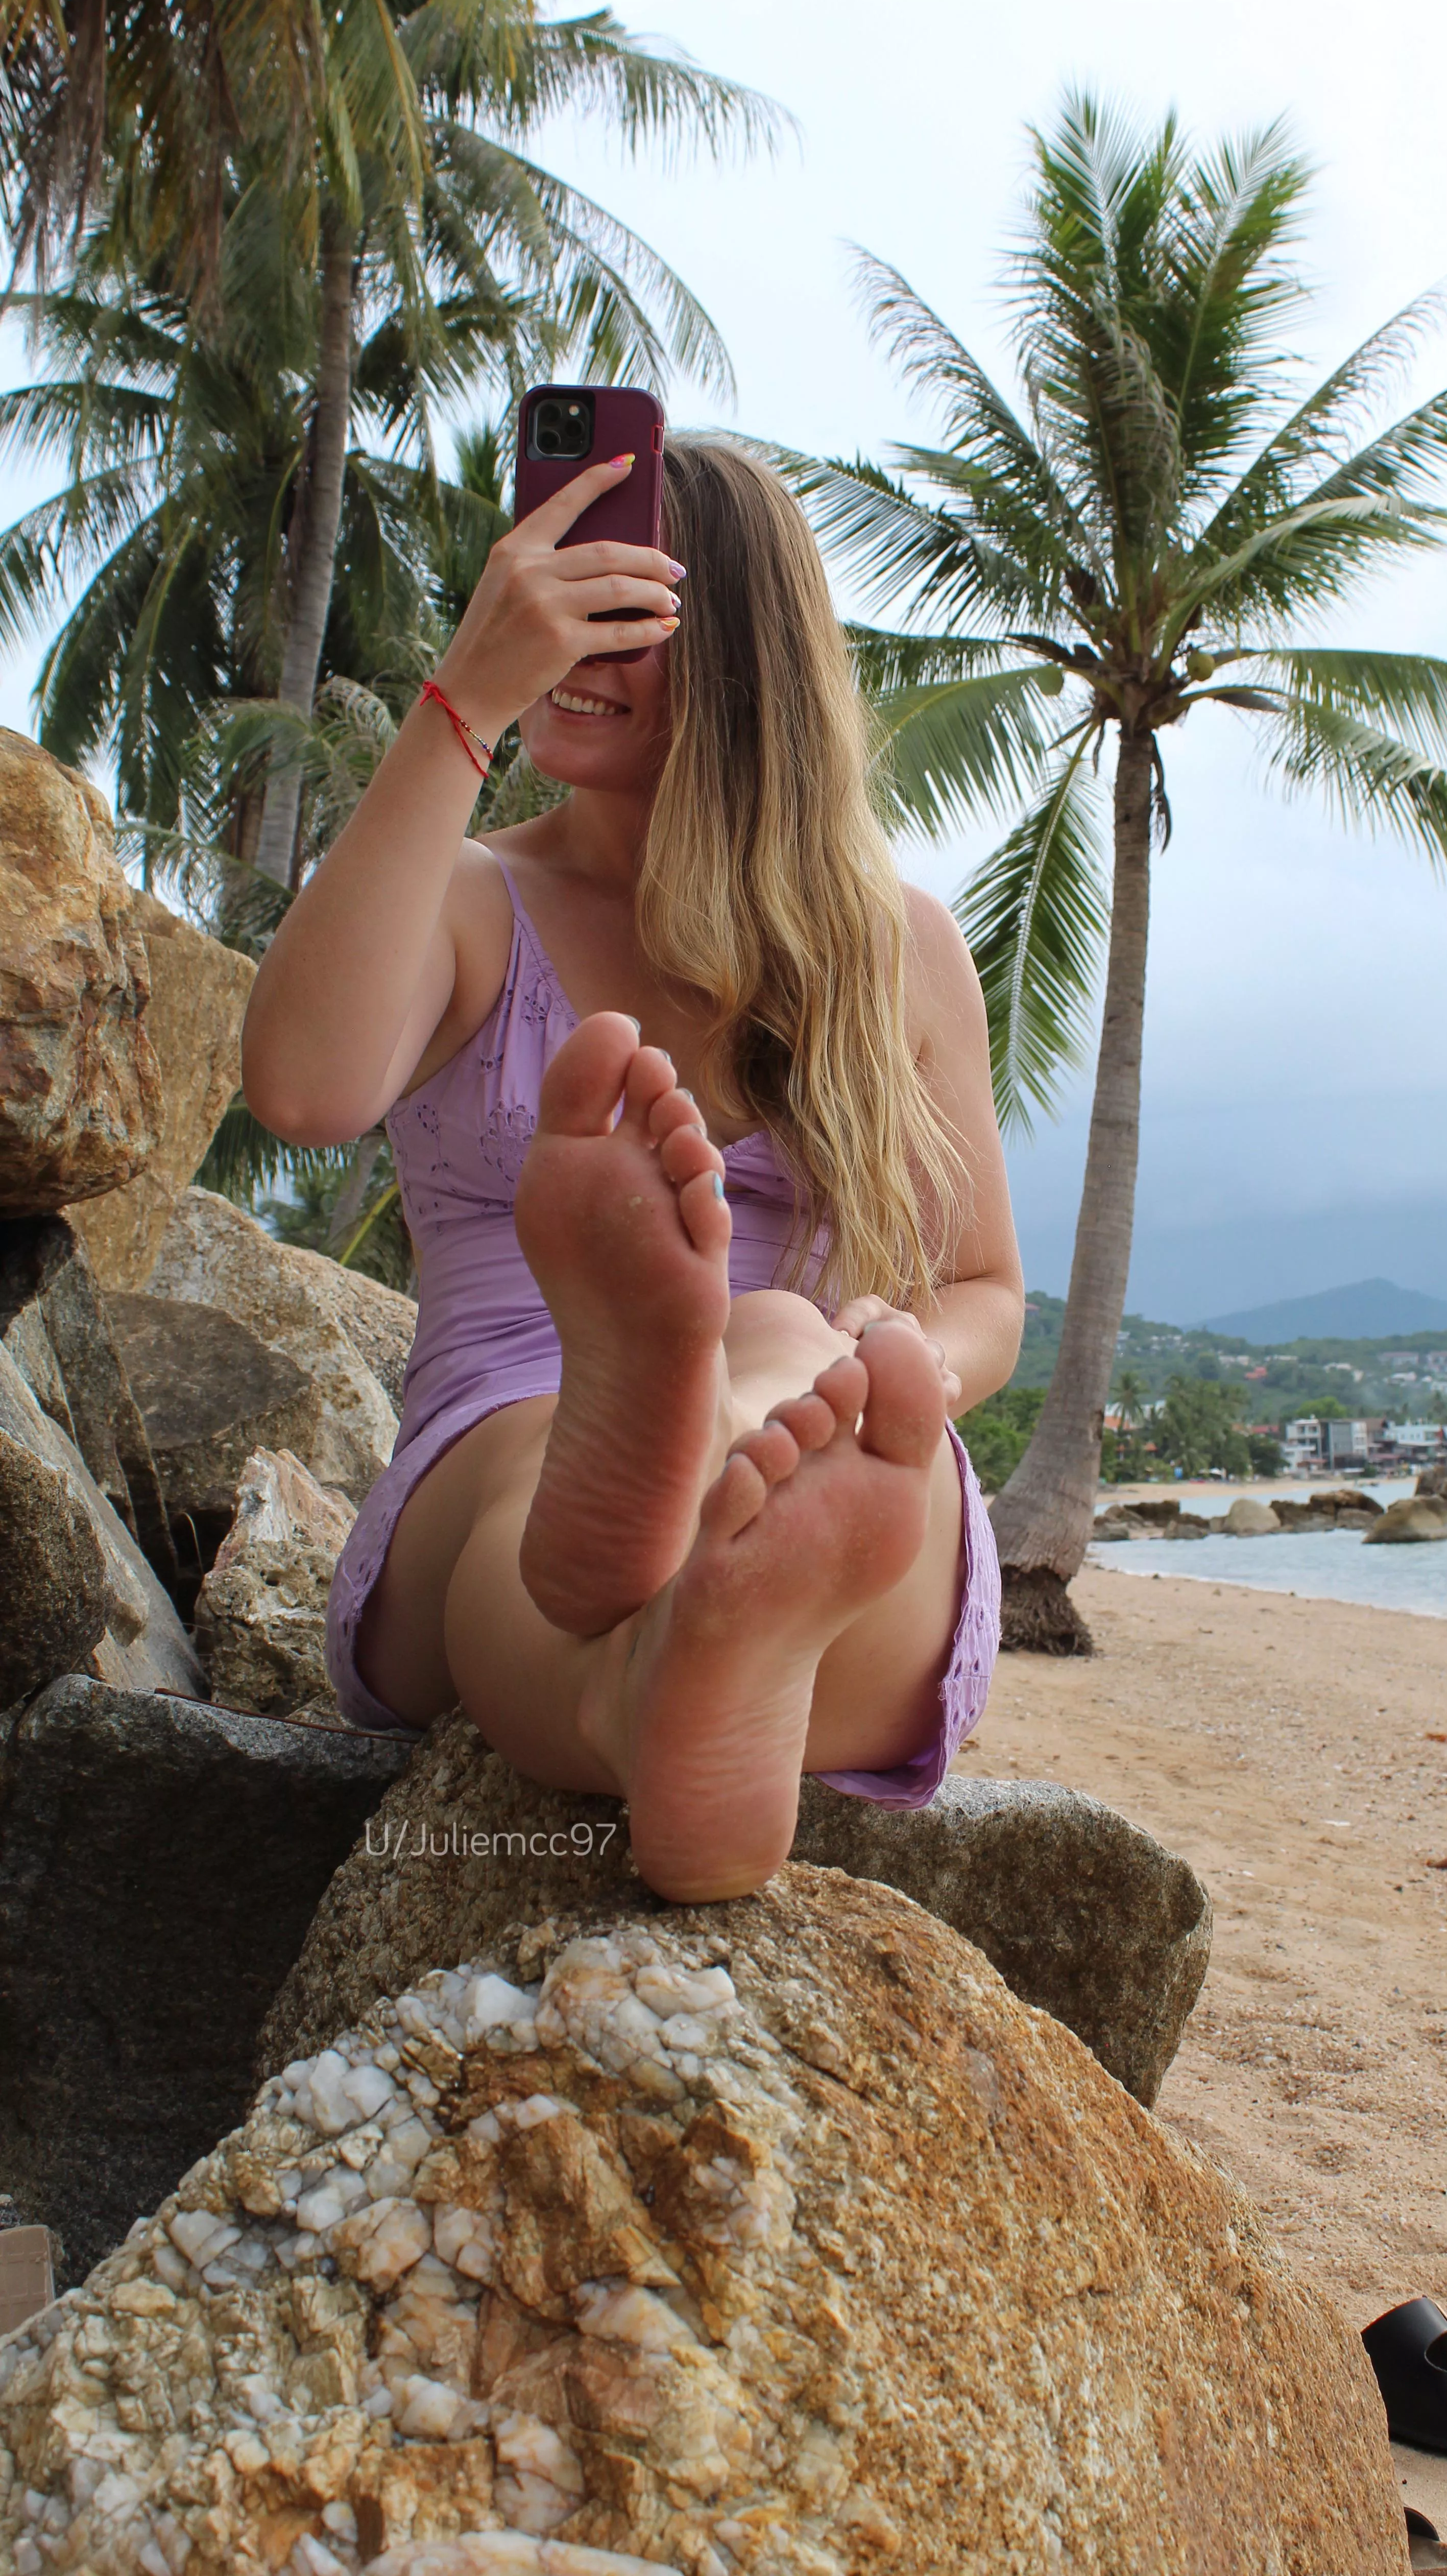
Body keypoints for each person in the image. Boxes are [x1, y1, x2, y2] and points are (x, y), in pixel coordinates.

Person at [244, 437, 1023, 1904]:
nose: (569, 645)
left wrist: (889, 1354)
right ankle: (683, 1514)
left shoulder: (894, 947)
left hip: (828, 1432)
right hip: (512, 1440)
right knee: (586, 1451)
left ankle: (689, 1644)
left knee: (800, 1356)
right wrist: (457, 702)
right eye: (550, 600)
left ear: (737, 660)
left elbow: (981, 1285)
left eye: (623, 613)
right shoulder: (477, 902)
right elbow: (302, 1088)